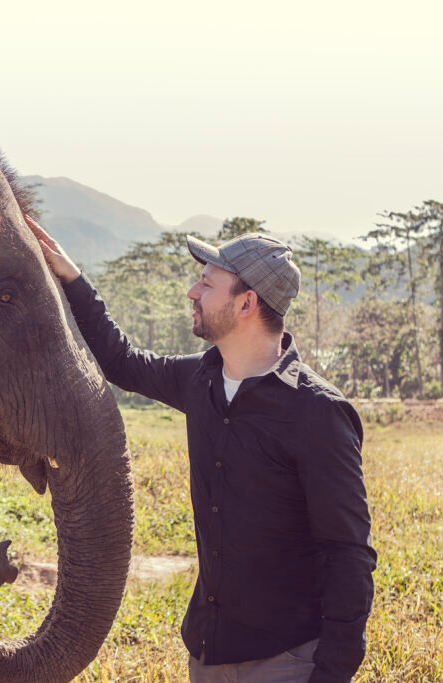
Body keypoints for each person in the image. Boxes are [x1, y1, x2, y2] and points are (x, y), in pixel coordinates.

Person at [25, 215, 376, 683]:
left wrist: (332, 674)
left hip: (286, 662)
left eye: (208, 284)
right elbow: (121, 360)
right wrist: (71, 276)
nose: (193, 291)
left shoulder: (316, 413)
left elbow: (348, 552)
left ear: (247, 302)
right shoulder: (201, 380)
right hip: (208, 653)